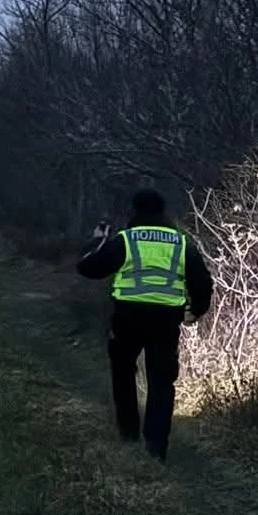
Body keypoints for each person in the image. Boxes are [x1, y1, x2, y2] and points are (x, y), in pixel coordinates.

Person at [76, 188, 213, 462]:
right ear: (163, 211)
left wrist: (97, 241)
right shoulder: (181, 243)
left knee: (123, 373)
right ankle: (156, 447)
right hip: (166, 319)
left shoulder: (126, 240)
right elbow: (202, 283)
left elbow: (88, 268)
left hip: (128, 317)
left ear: (135, 210)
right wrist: (196, 311)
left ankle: (128, 434)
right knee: (161, 380)